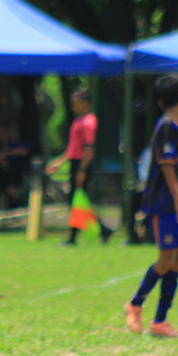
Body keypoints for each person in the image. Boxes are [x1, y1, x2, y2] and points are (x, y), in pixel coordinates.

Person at [124, 75, 178, 338]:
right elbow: (166, 166)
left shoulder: (177, 128)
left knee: (176, 260)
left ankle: (159, 321)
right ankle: (135, 303)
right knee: (166, 258)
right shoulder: (165, 127)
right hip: (165, 204)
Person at [45, 88, 112, 245]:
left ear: (85, 102)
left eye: (76, 102)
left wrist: (82, 170)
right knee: (80, 202)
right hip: (75, 162)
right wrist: (59, 162)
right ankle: (103, 230)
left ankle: (74, 237)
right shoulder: (78, 120)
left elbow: (87, 149)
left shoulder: (88, 122)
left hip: (82, 164)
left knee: (77, 202)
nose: (73, 105)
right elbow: (72, 149)